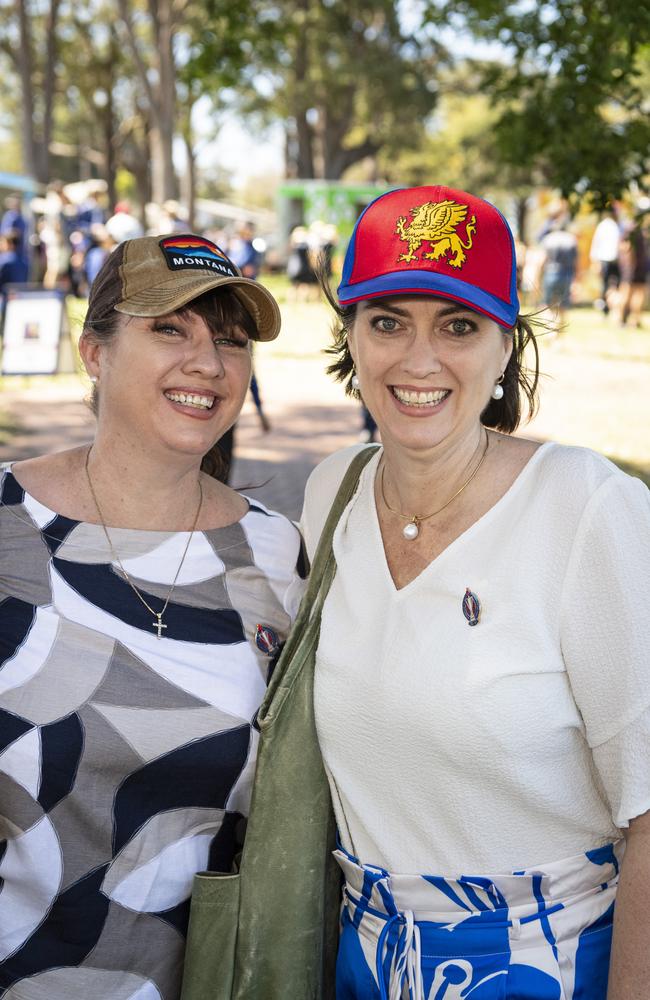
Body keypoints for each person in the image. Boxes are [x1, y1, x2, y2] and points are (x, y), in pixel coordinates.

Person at [301, 185, 650, 999]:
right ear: (350, 337)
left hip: (551, 967)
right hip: (362, 961)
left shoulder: (588, 508)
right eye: (387, 321)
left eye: (459, 326)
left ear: (506, 348)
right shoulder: (332, 493)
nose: (418, 360)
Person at [0, 234, 306, 998]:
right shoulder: (8, 524)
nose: (208, 363)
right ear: (93, 353)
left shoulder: (276, 555)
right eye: (170, 328)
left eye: (231, 342)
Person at [539, 216, 578, 327]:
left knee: (546, 304)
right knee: (563, 305)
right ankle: (559, 331)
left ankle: (551, 329)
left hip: (550, 273)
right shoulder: (571, 239)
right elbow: (576, 262)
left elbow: (542, 259)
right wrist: (577, 279)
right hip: (567, 275)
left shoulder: (548, 239)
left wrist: (538, 275)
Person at [589, 208, 621, 314]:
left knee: (613, 284)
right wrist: (595, 261)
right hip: (605, 259)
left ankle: (611, 305)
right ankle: (605, 306)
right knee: (606, 284)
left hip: (614, 259)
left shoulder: (617, 225)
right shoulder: (604, 225)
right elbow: (596, 243)